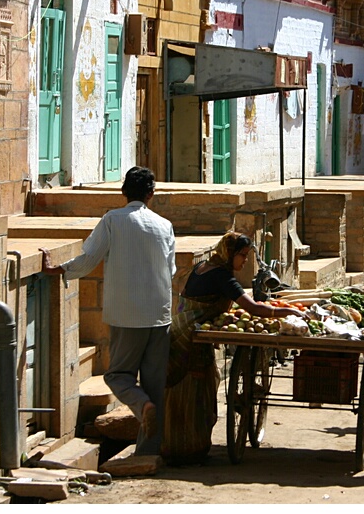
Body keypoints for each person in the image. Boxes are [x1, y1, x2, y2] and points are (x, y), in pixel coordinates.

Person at [40, 166, 175, 457]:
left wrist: (60, 269)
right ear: (151, 194)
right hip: (160, 314)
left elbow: (89, 258)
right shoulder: (164, 225)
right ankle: (149, 454)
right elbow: (171, 269)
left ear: (123, 192)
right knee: (154, 386)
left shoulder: (113, 220)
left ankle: (142, 407)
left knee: (118, 376)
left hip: (127, 315)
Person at [162, 230, 306, 466]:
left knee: (181, 391)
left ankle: (175, 446)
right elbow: (254, 309)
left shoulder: (202, 266)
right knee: (196, 391)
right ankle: (188, 448)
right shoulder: (222, 277)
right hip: (190, 339)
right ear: (229, 254)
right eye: (242, 255)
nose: (245, 261)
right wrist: (288, 311)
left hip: (180, 331)